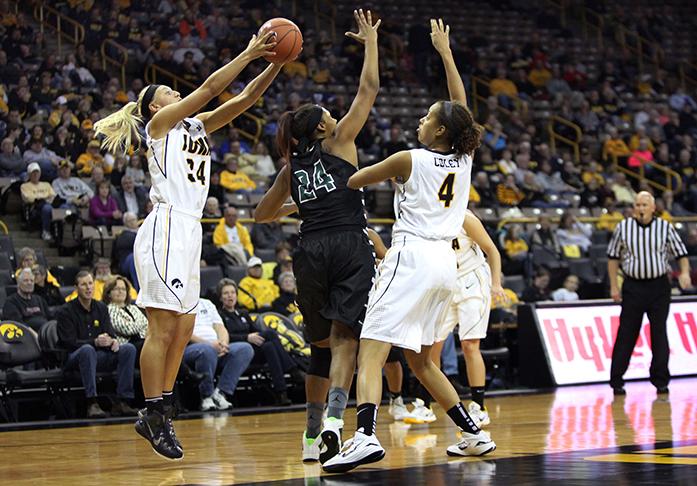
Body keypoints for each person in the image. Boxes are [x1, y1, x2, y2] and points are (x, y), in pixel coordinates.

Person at [93, 30, 281, 460]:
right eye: (168, 91)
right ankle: (153, 410)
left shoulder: (194, 126)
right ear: (155, 107)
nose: (176, 92)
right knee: (162, 328)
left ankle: (161, 410)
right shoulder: (159, 127)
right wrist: (248, 50)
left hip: (191, 230)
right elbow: (213, 88)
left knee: (183, 329)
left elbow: (244, 99)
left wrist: (274, 63)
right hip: (166, 226)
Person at [322, 19, 494, 474]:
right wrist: (446, 53)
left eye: (427, 118)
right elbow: (462, 108)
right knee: (420, 361)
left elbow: (355, 178)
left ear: (439, 132)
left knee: (371, 346)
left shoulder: (408, 159)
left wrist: (339, 152)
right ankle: (473, 432)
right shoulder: (462, 156)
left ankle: (363, 436)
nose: (421, 121)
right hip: (445, 266)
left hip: (413, 255)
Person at [254, 9, 381, 464]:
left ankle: (309, 438)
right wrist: (370, 42)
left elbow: (262, 215)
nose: (335, 115)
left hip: (310, 251)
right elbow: (369, 90)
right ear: (324, 127)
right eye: (329, 113)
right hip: (349, 243)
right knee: (348, 340)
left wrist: (301, 204)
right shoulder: (343, 139)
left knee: (319, 348)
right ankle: (333, 423)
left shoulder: (292, 168)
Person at [607, 191, 692, 396]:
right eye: (637, 205)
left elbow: (681, 254)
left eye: (645, 205)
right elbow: (612, 257)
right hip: (633, 286)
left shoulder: (665, 227)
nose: (641, 208)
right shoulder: (623, 227)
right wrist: (614, 286)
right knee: (627, 333)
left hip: (658, 287)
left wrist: (685, 273)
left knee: (659, 333)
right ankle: (616, 380)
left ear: (653, 208)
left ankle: (661, 380)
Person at [428, 210, 505, 428]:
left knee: (470, 345)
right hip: (446, 282)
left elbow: (492, 250)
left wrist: (496, 284)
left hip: (473, 279)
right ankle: (427, 401)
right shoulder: (426, 216)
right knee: (433, 344)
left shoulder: (464, 216)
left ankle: (479, 406)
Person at [56, 271, 138, 418]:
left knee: (128, 349)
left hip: (100, 356)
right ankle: (92, 403)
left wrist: (112, 341)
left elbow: (110, 333)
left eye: (90, 284)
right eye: (83, 284)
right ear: (76, 288)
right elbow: (68, 343)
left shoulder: (101, 307)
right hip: (74, 358)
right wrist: (94, 342)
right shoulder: (65, 311)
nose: (88, 288)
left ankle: (122, 401)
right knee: (87, 350)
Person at [217, 279, 303, 405]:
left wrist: (252, 336)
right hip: (237, 353)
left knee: (269, 345)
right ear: (220, 297)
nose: (230, 296)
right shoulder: (219, 315)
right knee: (270, 335)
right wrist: (247, 337)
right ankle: (293, 371)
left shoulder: (243, 313)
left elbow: (256, 331)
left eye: (232, 292)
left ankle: (282, 392)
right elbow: (224, 336)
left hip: (256, 351)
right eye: (226, 293)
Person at [182, 298, 254, 411]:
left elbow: (220, 328)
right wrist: (210, 344)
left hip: (216, 346)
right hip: (190, 348)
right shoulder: (179, 303)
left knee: (245, 348)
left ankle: (220, 393)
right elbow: (184, 332)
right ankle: (207, 396)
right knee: (206, 350)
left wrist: (224, 343)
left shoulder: (207, 303)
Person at [20, 162, 56, 241]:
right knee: (47, 208)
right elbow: (28, 198)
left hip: (48, 205)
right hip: (34, 208)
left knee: (50, 207)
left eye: (37, 172)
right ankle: (45, 231)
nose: (35, 174)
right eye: (33, 173)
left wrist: (41, 198)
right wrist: (44, 197)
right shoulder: (25, 186)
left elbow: (53, 196)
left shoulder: (46, 184)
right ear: (29, 174)